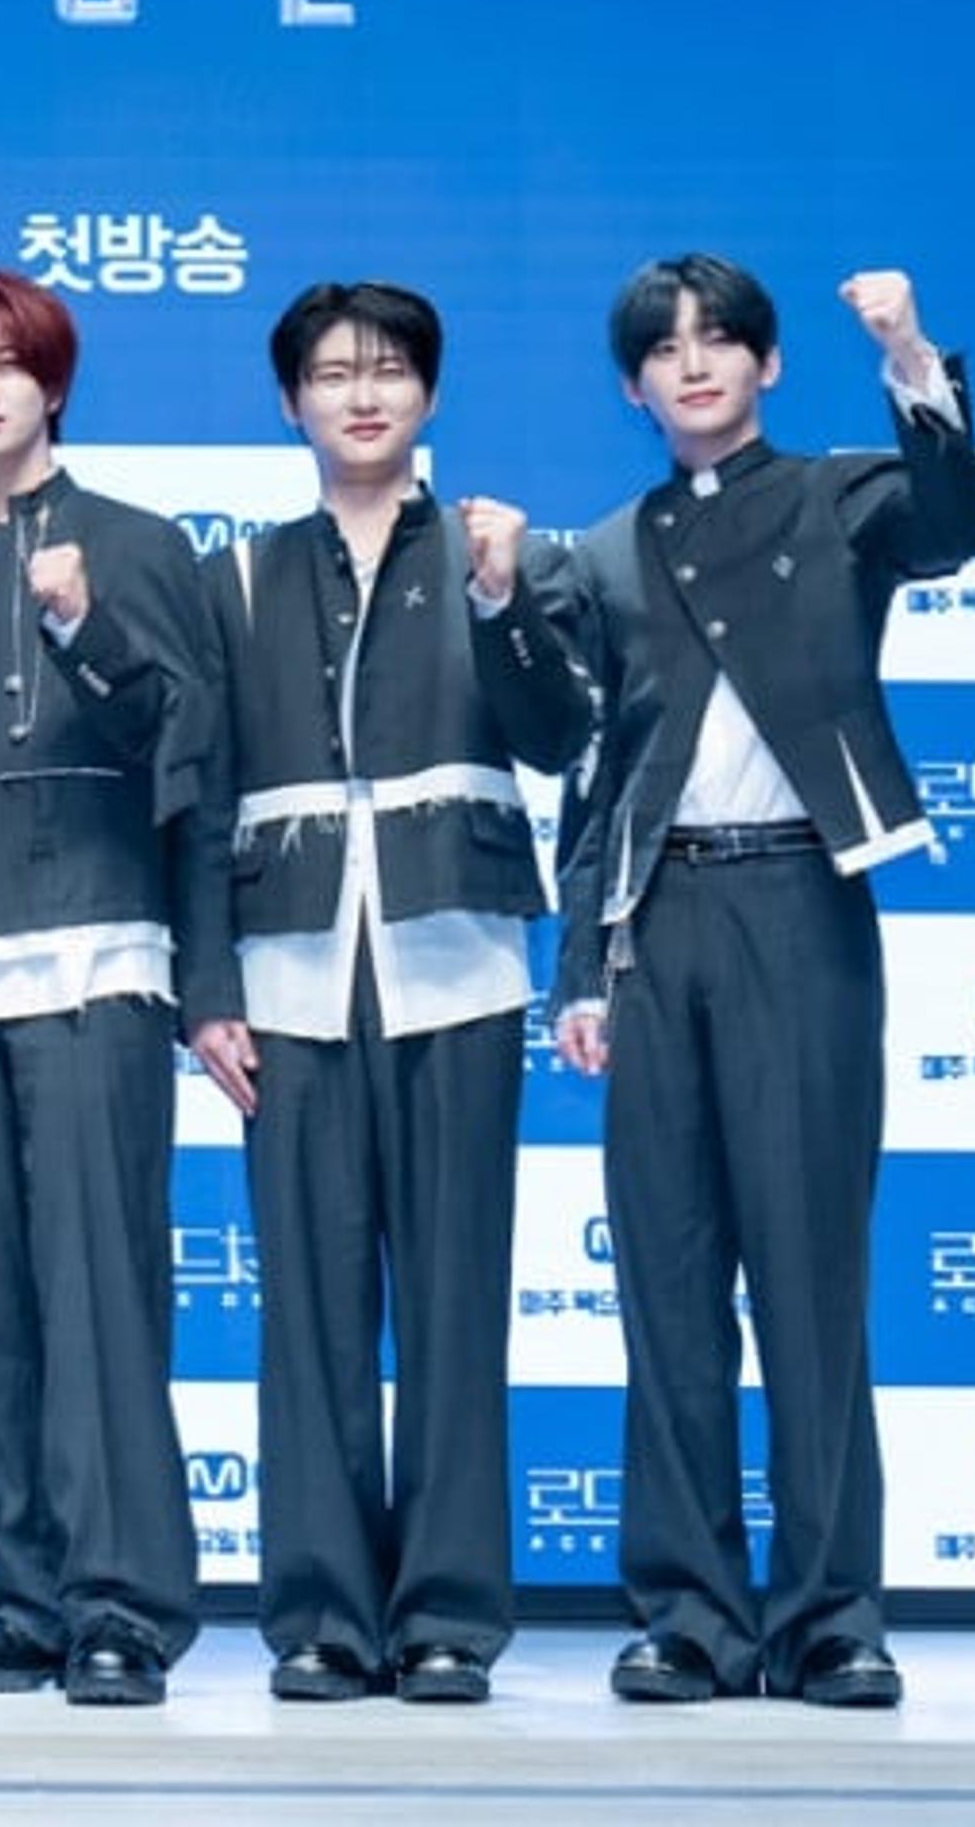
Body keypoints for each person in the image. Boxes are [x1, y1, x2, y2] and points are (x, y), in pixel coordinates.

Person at [544, 258, 975, 1712]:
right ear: (632, 386)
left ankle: (833, 1617)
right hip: (656, 917)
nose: (694, 364)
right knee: (668, 1284)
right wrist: (580, 967)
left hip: (804, 898)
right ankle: (687, 1615)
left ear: (770, 363)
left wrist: (910, 351)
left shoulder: (839, 496)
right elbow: (595, 776)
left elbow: (956, 524)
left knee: (810, 1278)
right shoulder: (607, 551)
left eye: (720, 339)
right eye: (663, 349)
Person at [182, 281, 592, 1706]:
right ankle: (320, 1613)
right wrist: (206, 987)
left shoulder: (495, 550)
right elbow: (199, 797)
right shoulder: (238, 576)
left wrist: (503, 599)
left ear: (430, 392)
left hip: (456, 960)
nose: (362, 394)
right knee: (306, 1309)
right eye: (333, 373)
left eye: (390, 369)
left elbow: (560, 735)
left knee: (456, 1299)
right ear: (289, 401)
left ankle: (450, 1616)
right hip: (289, 973)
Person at [0, 268, 215, 1707]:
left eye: (5, 363)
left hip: (93, 965)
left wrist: (86, 628)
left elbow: (189, 755)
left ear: (55, 383)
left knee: (98, 1298)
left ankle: (123, 1604)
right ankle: (26, 1597)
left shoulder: (136, 542)